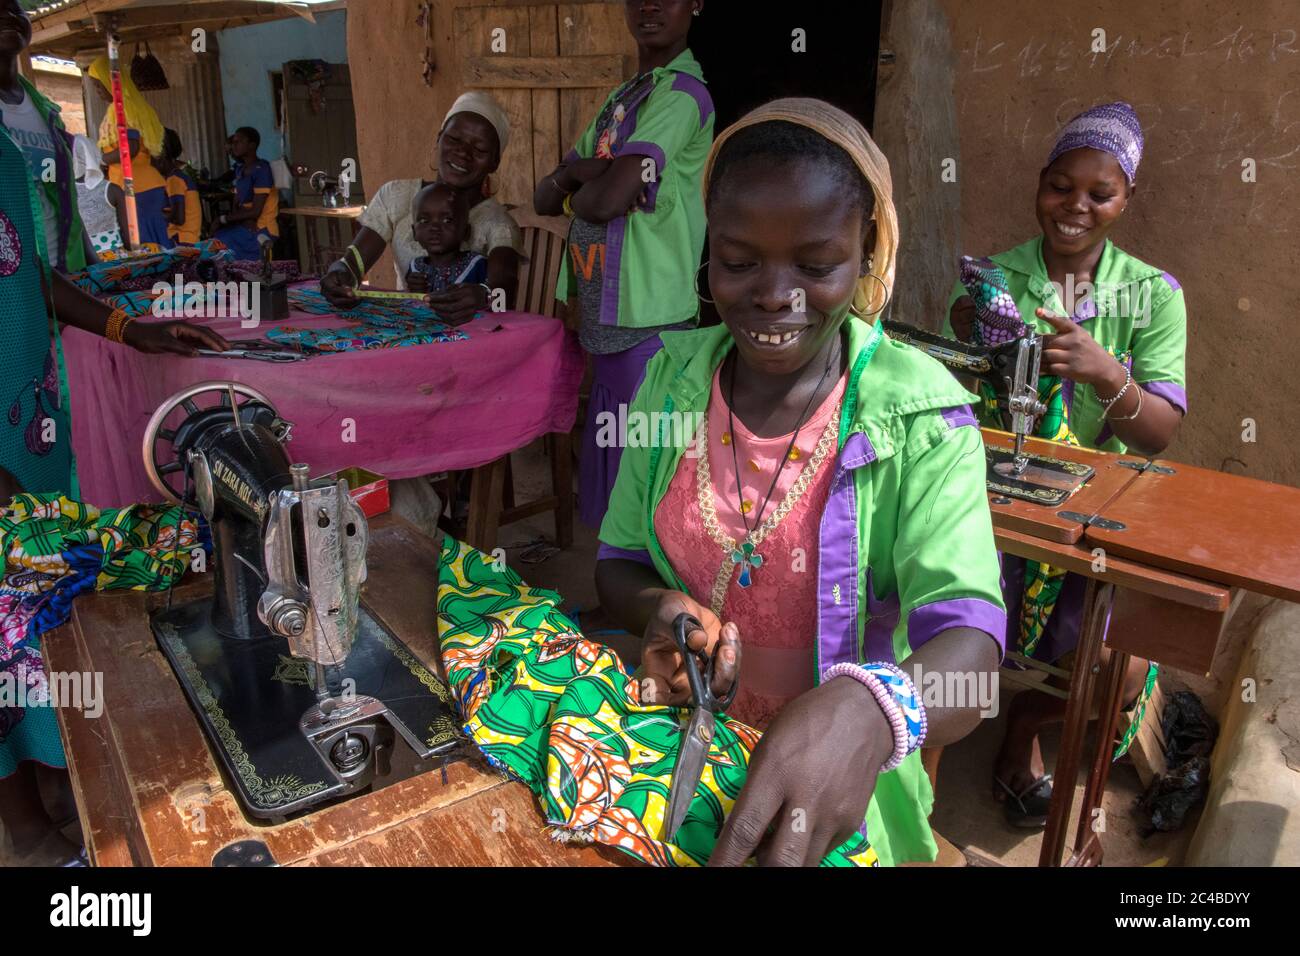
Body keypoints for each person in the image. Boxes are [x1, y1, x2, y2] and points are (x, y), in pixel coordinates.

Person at [595, 98, 1006, 866]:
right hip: (681, 749)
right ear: (707, 251)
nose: (774, 295)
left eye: (816, 266)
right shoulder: (672, 382)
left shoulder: (919, 420)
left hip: (841, 799)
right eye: (739, 261)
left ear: (867, 254)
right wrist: (663, 610)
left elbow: (973, 657)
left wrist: (874, 711)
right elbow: (617, 561)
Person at [1, 6, 230, 867]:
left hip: (35, 399)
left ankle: (52, 771)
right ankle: (18, 815)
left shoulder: (34, 115)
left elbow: (40, 272)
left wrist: (135, 332)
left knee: (45, 586)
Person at [944, 102, 1186, 827]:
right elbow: (954, 393)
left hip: (1098, 504)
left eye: (1099, 193)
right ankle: (923, 743)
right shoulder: (993, 278)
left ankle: (1026, 725)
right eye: (1060, 185)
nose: (1075, 206)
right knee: (927, 605)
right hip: (1005, 493)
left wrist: (1108, 374)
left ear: (1125, 200)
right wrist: (974, 341)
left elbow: (1159, 435)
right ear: (1039, 185)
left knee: (1125, 668)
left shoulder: (1154, 295)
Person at [535, 0, 715, 529]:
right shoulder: (624, 97)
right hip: (606, 318)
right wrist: (586, 177)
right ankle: (615, 588)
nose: (649, 6)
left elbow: (607, 200)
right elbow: (544, 196)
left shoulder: (683, 95)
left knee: (647, 466)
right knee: (616, 461)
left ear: (696, 5)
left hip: (649, 319)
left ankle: (645, 598)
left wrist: (586, 179)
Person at [320, 92, 522, 325]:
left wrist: (484, 296)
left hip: (469, 343)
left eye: (480, 150)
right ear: (439, 139)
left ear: (495, 162)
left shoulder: (498, 223)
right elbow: (353, 262)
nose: (463, 153)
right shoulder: (397, 197)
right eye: (454, 139)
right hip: (408, 329)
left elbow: (503, 291)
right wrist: (341, 273)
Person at [0, 0, 90, 272]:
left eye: (15, 8)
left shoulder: (47, 112)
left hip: (66, 273)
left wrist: (91, 266)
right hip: (16, 286)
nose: (8, 15)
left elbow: (65, 202)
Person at [405, 182, 488, 292]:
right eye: (424, 220)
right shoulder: (415, 267)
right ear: (414, 232)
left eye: (447, 220)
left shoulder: (477, 265)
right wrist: (412, 286)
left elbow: (498, 299)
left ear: (466, 232)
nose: (434, 227)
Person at [213, 127, 279, 259]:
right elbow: (238, 202)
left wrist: (222, 219)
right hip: (246, 225)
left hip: (261, 229)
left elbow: (255, 211)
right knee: (216, 240)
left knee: (219, 245)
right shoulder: (240, 170)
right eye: (234, 142)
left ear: (252, 145)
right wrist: (236, 220)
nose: (234, 145)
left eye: (239, 141)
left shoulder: (262, 169)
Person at [106, 128, 174, 251]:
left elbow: (131, 149)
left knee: (146, 238)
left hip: (137, 186)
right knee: (157, 234)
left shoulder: (125, 117)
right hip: (144, 183)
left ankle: (172, 268)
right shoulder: (137, 120)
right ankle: (176, 268)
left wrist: (102, 158)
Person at [72, 134, 120, 256]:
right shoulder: (112, 190)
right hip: (115, 258)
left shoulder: (65, 194)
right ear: (95, 154)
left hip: (83, 259)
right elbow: (129, 234)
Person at [158, 127, 201, 246]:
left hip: (181, 240)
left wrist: (153, 213)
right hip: (182, 238)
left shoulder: (174, 179)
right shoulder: (174, 177)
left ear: (161, 154)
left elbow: (178, 218)